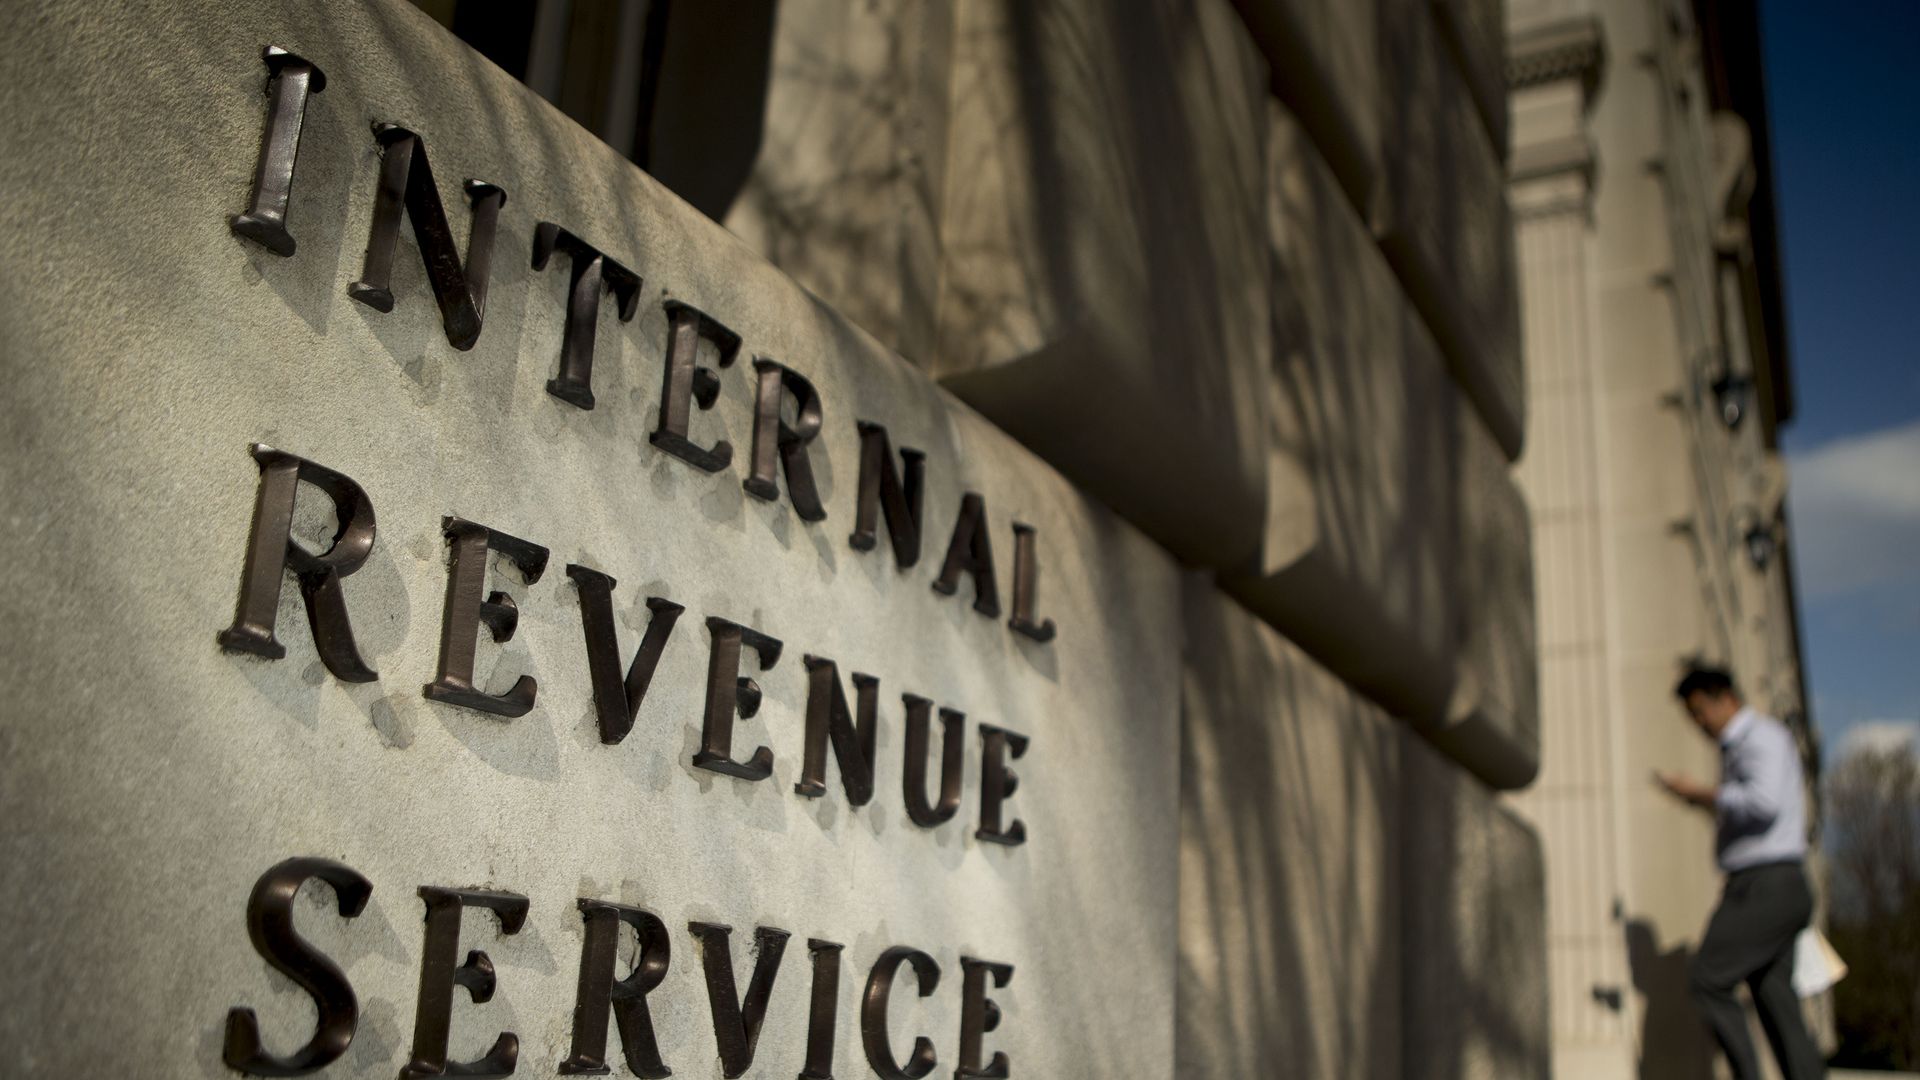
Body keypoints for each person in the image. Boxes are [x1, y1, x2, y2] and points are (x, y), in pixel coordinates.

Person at [1654, 665, 1824, 1079]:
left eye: (1699, 712)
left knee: (1708, 978)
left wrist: (1703, 792)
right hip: (1777, 885)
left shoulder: (1758, 738)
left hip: (1764, 886)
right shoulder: (1750, 743)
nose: (1698, 724)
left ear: (1726, 699)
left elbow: (1764, 803)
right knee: (1776, 1001)